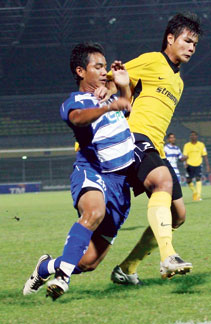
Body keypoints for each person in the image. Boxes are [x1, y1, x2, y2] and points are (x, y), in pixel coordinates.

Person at [23, 42, 135, 300]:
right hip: (93, 171)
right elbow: (77, 119)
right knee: (94, 211)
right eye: (98, 67)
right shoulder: (74, 102)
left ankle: (46, 267)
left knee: (88, 263)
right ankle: (62, 279)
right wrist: (108, 105)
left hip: (120, 184)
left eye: (105, 66)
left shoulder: (107, 93)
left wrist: (123, 85)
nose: (104, 71)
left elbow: (125, 106)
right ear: (80, 71)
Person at [109, 12, 202, 284]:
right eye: (186, 41)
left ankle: (126, 268)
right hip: (135, 138)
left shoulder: (179, 82)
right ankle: (168, 255)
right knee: (161, 183)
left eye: (194, 44)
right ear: (170, 39)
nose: (191, 48)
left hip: (156, 147)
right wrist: (109, 91)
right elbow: (116, 77)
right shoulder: (152, 60)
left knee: (179, 215)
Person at [183, 130, 211, 201]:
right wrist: (185, 163)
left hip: (198, 164)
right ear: (190, 137)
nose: (193, 136)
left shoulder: (201, 145)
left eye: (194, 135)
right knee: (188, 180)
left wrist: (208, 165)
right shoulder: (187, 145)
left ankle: (198, 196)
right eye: (191, 135)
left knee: (198, 178)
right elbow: (185, 155)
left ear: (197, 136)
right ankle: (194, 191)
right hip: (189, 164)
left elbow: (205, 156)